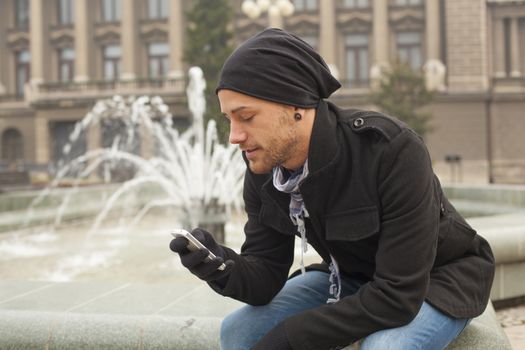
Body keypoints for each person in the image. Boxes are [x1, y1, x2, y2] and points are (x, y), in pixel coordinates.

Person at [170, 28, 495, 350]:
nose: (234, 136)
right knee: (238, 331)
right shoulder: (267, 168)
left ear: (295, 105)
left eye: (247, 117)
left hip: (434, 279)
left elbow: (397, 296)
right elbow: (265, 276)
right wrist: (219, 267)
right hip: (351, 275)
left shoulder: (390, 149)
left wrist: (290, 339)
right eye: (229, 119)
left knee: (386, 348)